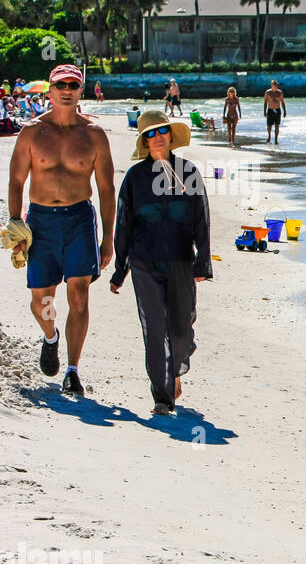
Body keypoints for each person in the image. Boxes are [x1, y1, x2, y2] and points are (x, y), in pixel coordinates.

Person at [5, 64, 115, 395]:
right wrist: (15, 224)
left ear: (81, 90)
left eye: (73, 84)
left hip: (80, 219)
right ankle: (50, 336)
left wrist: (108, 238)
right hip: (40, 220)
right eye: (60, 84)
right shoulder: (31, 132)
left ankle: (72, 369)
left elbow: (107, 189)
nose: (67, 89)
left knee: (79, 292)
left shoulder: (94, 135)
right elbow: (15, 180)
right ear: (50, 91)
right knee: (43, 297)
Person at [108, 110, 212, 415]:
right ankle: (162, 398)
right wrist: (120, 268)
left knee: (181, 332)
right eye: (150, 134)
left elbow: (201, 219)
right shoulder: (134, 177)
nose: (157, 137)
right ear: (143, 140)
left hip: (180, 260)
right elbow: (124, 223)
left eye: (162, 131)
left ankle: (174, 372)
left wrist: (202, 263)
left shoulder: (188, 172)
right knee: (154, 328)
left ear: (170, 134)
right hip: (144, 262)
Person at [263, 79, 286, 144]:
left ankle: (276, 140)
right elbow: (265, 102)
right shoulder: (267, 92)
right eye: (274, 84)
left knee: (277, 126)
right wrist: (264, 112)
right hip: (270, 110)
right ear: (271, 85)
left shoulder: (280, 92)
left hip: (277, 110)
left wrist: (284, 111)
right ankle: (269, 135)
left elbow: (283, 102)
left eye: (276, 84)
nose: (275, 86)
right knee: (269, 126)